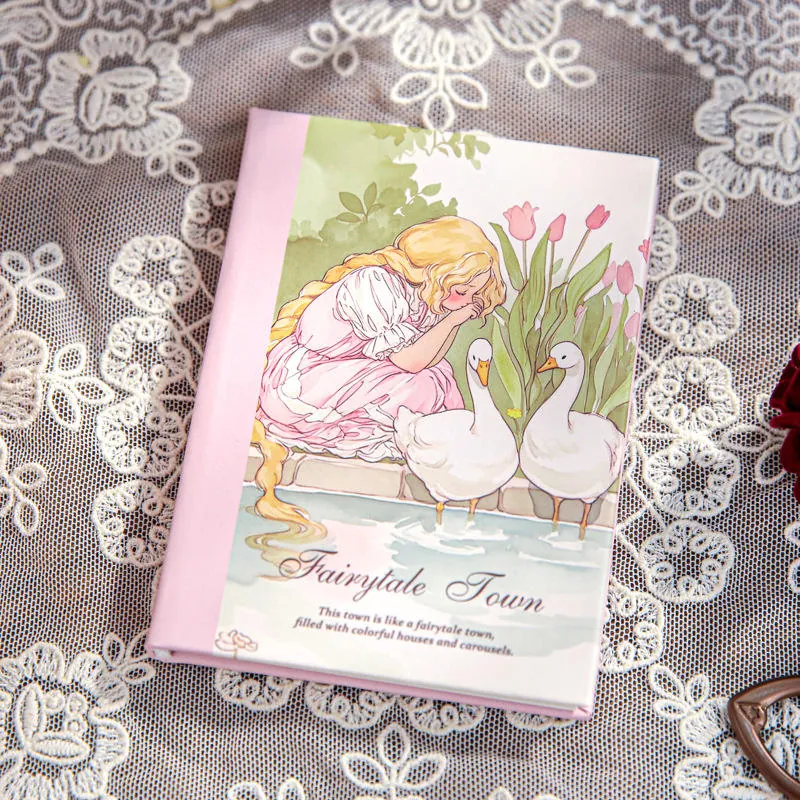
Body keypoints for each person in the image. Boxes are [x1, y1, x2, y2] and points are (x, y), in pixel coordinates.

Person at [250, 215, 505, 535]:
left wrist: (451, 318)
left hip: (355, 375)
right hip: (308, 380)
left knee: (439, 377)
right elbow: (409, 363)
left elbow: (430, 359)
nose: (465, 301)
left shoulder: (430, 300)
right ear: (436, 273)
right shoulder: (376, 284)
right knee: (421, 387)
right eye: (461, 290)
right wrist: (453, 320)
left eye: (472, 295)